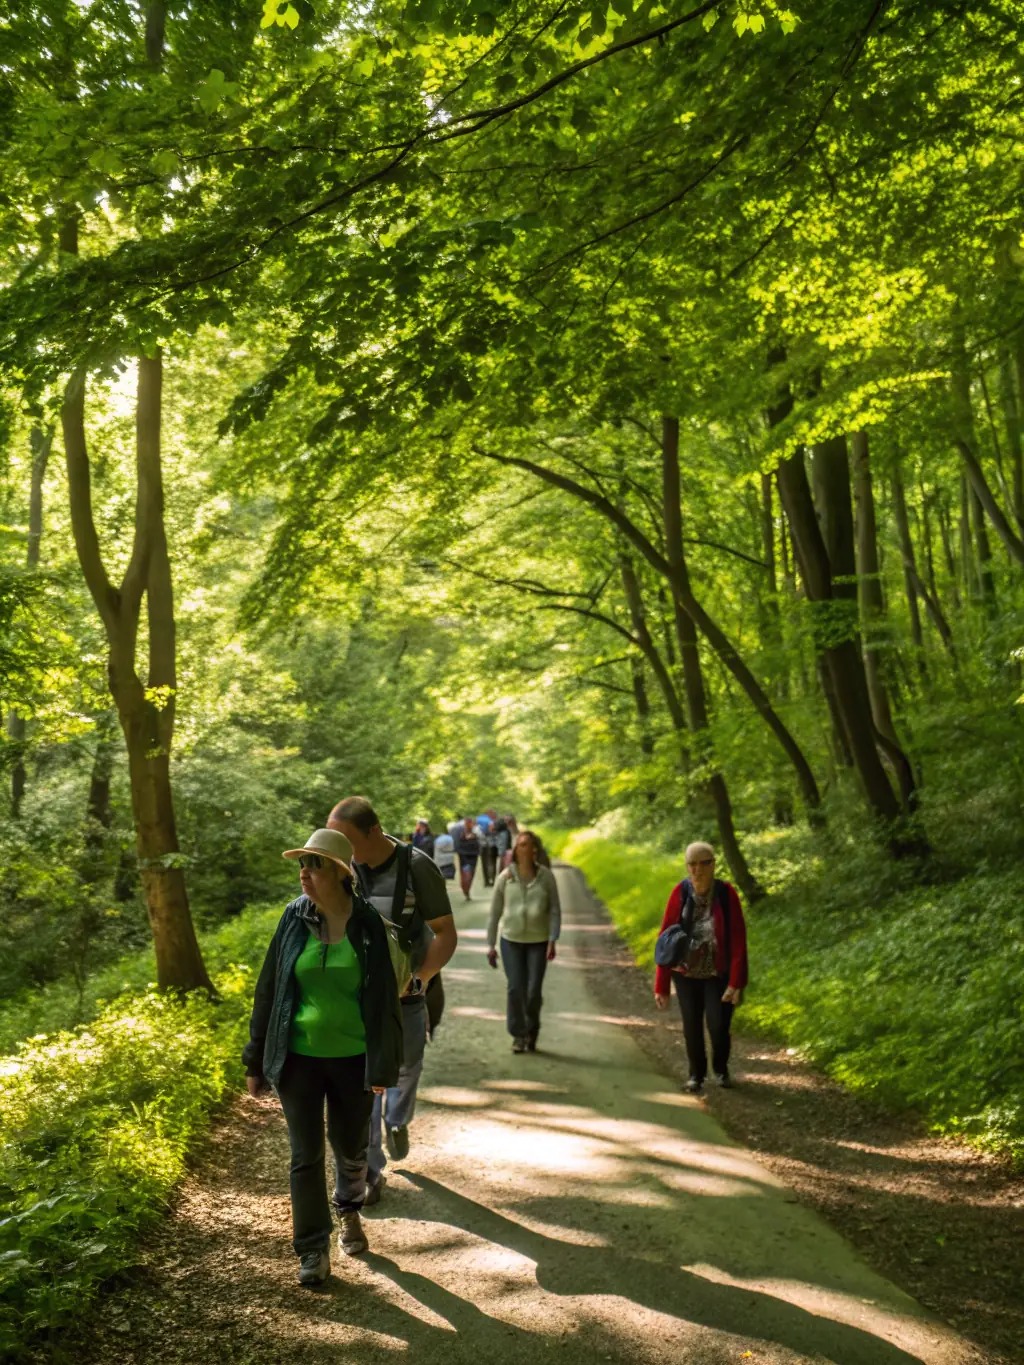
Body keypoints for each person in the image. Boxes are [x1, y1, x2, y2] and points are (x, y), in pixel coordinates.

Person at [242, 828, 404, 1287]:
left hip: (353, 1057)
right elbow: (269, 988)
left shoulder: (367, 923)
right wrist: (255, 1059)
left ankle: (348, 1207)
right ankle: (312, 1247)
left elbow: (383, 1003)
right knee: (304, 1155)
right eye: (302, 865)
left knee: (350, 1147)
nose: (304, 874)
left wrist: (382, 1067)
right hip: (299, 1058)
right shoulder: (293, 918)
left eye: (313, 865)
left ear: (338, 873)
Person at [327, 796, 457, 1205]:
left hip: (408, 995)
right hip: (359, 998)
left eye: (347, 840)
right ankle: (370, 1173)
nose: (342, 851)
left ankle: (398, 1121)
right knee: (365, 1082)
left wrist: (419, 980)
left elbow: (444, 933)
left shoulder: (417, 866)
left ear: (373, 830)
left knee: (404, 1070)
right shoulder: (341, 868)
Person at [653, 840, 748, 1093]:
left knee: (718, 1026)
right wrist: (661, 986)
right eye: (691, 864)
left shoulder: (727, 894)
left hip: (718, 973)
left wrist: (736, 982)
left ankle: (720, 1067)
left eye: (702, 863)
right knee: (691, 1025)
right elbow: (666, 940)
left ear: (713, 864)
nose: (696, 870)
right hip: (686, 974)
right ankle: (696, 1075)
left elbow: (739, 941)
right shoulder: (680, 893)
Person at [486, 829, 561, 1054]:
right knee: (515, 988)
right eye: (519, 845)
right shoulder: (505, 877)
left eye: (526, 844)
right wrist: (490, 945)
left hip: (538, 941)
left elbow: (555, 910)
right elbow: (494, 913)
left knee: (533, 991)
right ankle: (518, 1035)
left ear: (534, 850)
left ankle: (532, 1030)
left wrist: (552, 938)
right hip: (511, 940)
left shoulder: (546, 877)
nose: (521, 848)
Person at [454, 816, 480, 900]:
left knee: (471, 874)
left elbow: (480, 844)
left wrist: (475, 838)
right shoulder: (460, 833)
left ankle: (467, 890)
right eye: (467, 823)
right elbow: (457, 845)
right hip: (464, 857)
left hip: (473, 857)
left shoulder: (476, 833)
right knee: (466, 875)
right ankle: (465, 890)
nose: (469, 825)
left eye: (470, 823)